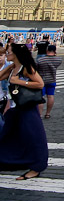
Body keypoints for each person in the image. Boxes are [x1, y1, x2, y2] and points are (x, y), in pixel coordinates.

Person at [0, 44, 48, 179]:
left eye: (9, 52)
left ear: (15, 54)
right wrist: (10, 66)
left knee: (33, 138)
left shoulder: (27, 68)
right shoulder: (13, 68)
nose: (7, 54)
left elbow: (40, 84)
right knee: (7, 136)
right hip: (15, 109)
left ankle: (37, 167)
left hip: (27, 108)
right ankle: (6, 162)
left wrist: (20, 82)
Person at [36, 44, 62, 118]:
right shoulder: (59, 59)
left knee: (40, 97)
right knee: (50, 96)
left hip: (42, 79)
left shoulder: (41, 60)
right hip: (52, 79)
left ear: (47, 50)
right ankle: (48, 113)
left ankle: (40, 114)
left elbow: (36, 68)